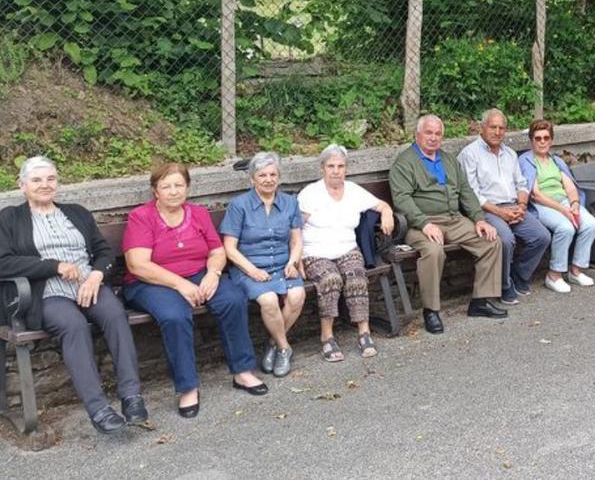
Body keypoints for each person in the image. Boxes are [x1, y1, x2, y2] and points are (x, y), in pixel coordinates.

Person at [0, 156, 145, 434]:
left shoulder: (76, 212)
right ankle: (98, 409)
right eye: (36, 180)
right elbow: (3, 263)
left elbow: (103, 251)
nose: (45, 185)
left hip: (89, 285)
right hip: (46, 293)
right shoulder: (9, 218)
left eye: (51, 179)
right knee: (72, 325)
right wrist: (53, 266)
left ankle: (132, 396)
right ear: (22, 185)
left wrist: (97, 275)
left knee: (114, 313)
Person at [123, 163, 267, 418]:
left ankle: (243, 372)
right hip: (151, 282)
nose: (173, 191)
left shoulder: (198, 213)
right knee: (175, 315)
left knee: (232, 298)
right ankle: (188, 387)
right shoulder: (142, 217)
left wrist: (213, 274)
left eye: (179, 185)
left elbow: (216, 251)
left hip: (199, 273)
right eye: (166, 186)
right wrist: (180, 284)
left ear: (188, 188)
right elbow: (138, 265)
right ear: (155, 191)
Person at [389, 114, 507, 334]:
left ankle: (480, 301)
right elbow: (402, 199)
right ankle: (431, 311)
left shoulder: (448, 159)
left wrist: (479, 219)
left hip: (453, 218)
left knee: (491, 241)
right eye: (428, 133)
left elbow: (465, 191)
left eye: (438, 134)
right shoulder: (404, 163)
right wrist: (424, 223)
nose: (433, 138)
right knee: (434, 252)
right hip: (420, 224)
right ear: (417, 135)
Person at [298, 144, 397, 361]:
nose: (336, 170)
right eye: (331, 166)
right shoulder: (310, 193)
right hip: (315, 252)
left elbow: (381, 205)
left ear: (346, 168)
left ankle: (364, 332)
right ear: (322, 168)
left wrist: (387, 213)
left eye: (340, 166)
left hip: (346, 248)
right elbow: (295, 229)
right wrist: (296, 259)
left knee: (356, 275)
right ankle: (327, 336)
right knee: (331, 279)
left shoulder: (352, 190)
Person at [220, 152, 306, 377]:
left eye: (273, 174)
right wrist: (252, 270)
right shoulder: (239, 206)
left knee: (297, 295)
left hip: (282, 265)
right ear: (252, 179)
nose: (268, 179)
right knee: (268, 300)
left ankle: (275, 343)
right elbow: (229, 247)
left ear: (279, 177)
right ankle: (285, 348)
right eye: (262, 175)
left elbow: (296, 239)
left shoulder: (290, 203)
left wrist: (293, 262)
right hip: (249, 268)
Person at [458, 109, 552, 303]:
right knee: (506, 239)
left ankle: (519, 275)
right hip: (487, 210)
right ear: (482, 128)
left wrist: (522, 206)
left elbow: (521, 184)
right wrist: (500, 212)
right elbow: (471, 193)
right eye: (493, 127)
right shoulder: (469, 154)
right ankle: (504, 284)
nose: (498, 132)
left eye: (502, 128)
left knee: (541, 237)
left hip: (513, 207)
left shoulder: (509, 154)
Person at [518, 119, 595, 292]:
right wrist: (563, 210)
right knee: (565, 227)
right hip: (542, 205)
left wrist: (575, 204)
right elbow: (535, 194)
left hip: (563, 201)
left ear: (551, 140)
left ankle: (576, 271)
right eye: (538, 138)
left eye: (546, 138)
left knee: (591, 224)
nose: (542, 142)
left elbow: (570, 186)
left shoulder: (556, 160)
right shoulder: (526, 160)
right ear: (532, 140)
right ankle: (553, 275)